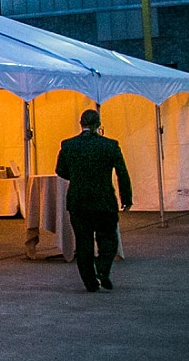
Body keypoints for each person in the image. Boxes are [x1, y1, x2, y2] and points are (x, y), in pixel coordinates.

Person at [55, 109, 133, 292]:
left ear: (80, 123)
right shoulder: (110, 145)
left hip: (78, 201)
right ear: (99, 124)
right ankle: (103, 269)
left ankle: (89, 281)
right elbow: (122, 173)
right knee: (108, 238)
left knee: (83, 242)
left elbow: (60, 170)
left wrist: (76, 176)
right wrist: (126, 197)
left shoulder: (68, 145)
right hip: (104, 199)